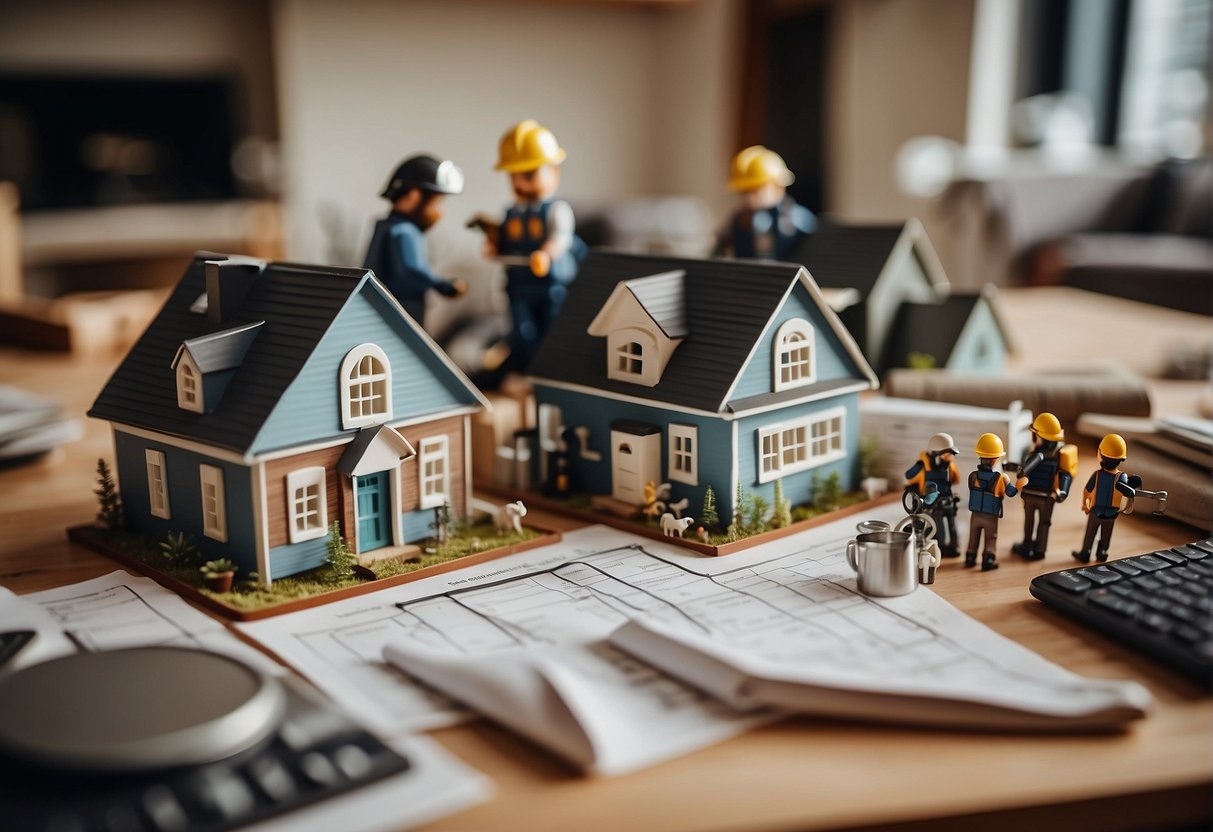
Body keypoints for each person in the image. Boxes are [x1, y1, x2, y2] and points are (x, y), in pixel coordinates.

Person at [477, 119, 586, 370]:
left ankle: (549, 370)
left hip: (550, 287)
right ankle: (523, 369)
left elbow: (560, 237)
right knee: (521, 330)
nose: (521, 184)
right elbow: (504, 239)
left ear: (554, 172)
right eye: (514, 177)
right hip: (518, 286)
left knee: (551, 329)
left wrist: (546, 255)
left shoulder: (557, 211)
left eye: (528, 174)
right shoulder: (511, 212)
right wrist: (493, 245)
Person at [363, 154, 466, 327]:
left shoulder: (384, 226)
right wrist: (442, 284)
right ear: (414, 196)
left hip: (377, 307)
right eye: (437, 202)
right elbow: (411, 269)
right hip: (401, 308)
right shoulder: (404, 232)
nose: (439, 211)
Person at [716, 146, 816, 260]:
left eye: (754, 190)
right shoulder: (738, 222)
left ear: (778, 186)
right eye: (743, 192)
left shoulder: (800, 222)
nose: (748, 198)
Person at [1012, 412, 1076, 560]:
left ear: (1039, 437)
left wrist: (1063, 491)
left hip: (1034, 495)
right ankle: (1038, 548)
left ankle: (1028, 546)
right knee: (1043, 522)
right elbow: (1065, 473)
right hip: (1046, 498)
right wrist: (1063, 492)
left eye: (1034, 435)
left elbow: (1064, 475)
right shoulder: (1056, 455)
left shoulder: (1038, 455)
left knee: (1032, 521)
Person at [1073, 434, 1137, 563]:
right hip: (1111, 514)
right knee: (1106, 535)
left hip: (1095, 512)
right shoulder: (1121, 477)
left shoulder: (1096, 475)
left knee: (1090, 533)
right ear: (1121, 459)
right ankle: (1102, 552)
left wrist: (1084, 505)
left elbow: (1086, 491)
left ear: (1100, 454)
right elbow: (1126, 489)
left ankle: (1086, 552)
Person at [965, 433, 1018, 571]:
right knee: (990, 539)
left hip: (975, 515)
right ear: (996, 459)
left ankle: (970, 557)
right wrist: (1020, 483)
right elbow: (1011, 493)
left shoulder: (972, 476)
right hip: (990, 516)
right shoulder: (1001, 478)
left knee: (973, 536)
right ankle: (988, 560)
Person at [904, 432, 961, 557]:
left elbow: (956, 479)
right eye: (946, 454)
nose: (949, 457)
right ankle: (940, 547)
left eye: (950, 454)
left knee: (952, 525)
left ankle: (954, 546)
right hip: (934, 503)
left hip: (948, 500)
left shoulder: (949, 465)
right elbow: (909, 476)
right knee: (938, 528)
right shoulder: (923, 465)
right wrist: (919, 467)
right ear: (936, 454)